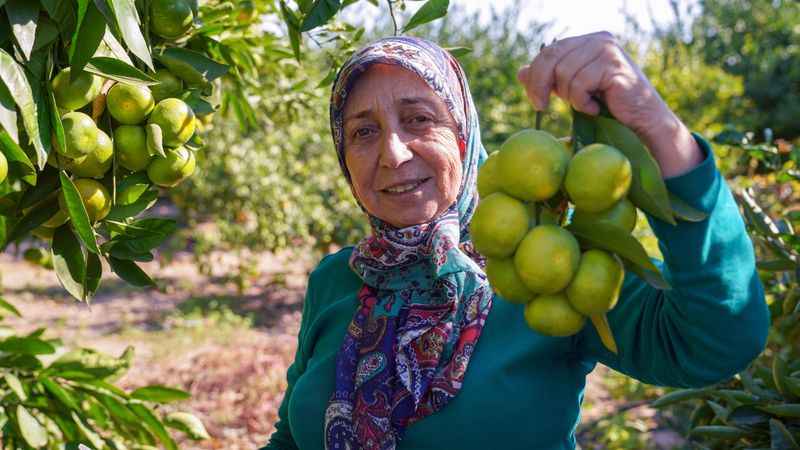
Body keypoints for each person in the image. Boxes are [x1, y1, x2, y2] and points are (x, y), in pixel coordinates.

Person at [262, 33, 769, 450]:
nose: (393, 153)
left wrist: (655, 126)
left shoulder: (543, 265)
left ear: (463, 134)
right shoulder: (338, 279)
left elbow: (716, 340)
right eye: (363, 132)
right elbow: (291, 439)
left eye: (419, 119)